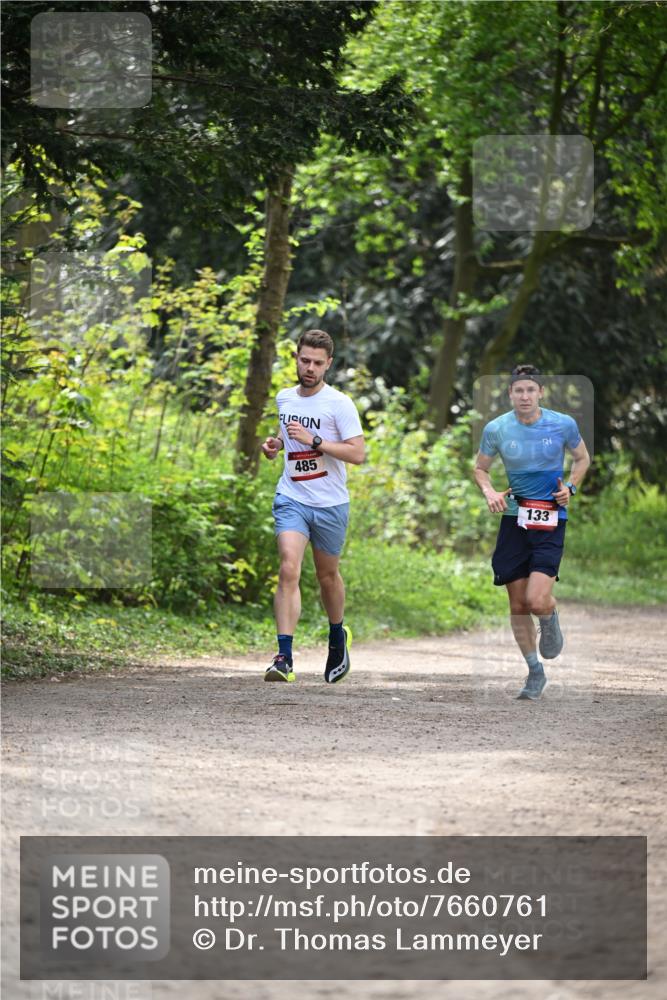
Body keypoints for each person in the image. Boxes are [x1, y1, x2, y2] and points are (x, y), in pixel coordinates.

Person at [474, 364, 591, 700]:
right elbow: (481, 469)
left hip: (551, 518)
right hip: (514, 519)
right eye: (518, 391)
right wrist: (491, 492)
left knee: (536, 600)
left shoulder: (562, 424)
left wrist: (570, 487)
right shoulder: (497, 429)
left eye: (530, 390)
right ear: (510, 394)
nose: (524, 396)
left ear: (541, 393)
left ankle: (550, 618)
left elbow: (582, 459)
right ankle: (534, 672)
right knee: (517, 604)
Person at [261, 329, 365, 683]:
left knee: (327, 576)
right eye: (305, 360)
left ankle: (338, 635)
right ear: (296, 358)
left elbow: (358, 454)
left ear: (328, 365)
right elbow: (286, 435)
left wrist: (316, 441)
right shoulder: (285, 397)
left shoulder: (339, 403)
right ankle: (284, 657)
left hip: (331, 502)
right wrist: (275, 444)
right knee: (289, 567)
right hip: (292, 496)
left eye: (317, 363)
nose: (310, 368)